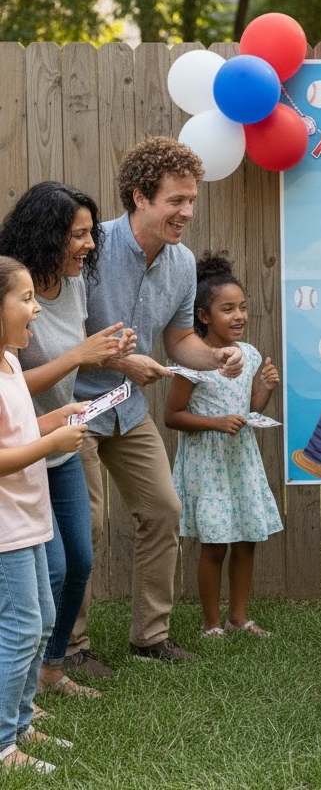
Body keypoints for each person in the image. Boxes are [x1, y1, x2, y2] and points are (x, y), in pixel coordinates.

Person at [67, 137, 243, 674]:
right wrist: (123, 364)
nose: (187, 212)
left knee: (163, 510)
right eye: (176, 201)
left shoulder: (183, 262)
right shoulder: (90, 250)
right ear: (141, 196)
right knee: (88, 524)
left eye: (191, 200)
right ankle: (71, 648)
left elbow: (178, 340)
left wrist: (217, 357)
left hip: (127, 407)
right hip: (73, 406)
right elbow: (61, 339)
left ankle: (150, 637)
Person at [0, 182, 136, 699]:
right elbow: (11, 379)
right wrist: (78, 356)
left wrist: (111, 354)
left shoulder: (72, 283)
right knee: (48, 570)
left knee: (79, 558)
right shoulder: (11, 288)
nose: (89, 244)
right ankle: (21, 689)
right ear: (45, 235)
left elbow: (74, 354)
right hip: (24, 452)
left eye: (91, 233)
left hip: (58, 440)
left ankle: (50, 670)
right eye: (77, 234)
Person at [0, 256, 88, 775]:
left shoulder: (11, 362)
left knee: (44, 621)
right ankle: (3, 748)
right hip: (5, 526)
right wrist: (51, 442)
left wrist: (54, 419)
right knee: (21, 627)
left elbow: (18, 429)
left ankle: (22, 725)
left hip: (29, 516)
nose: (37, 309)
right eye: (27, 298)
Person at [164, 252, 282, 638]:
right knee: (216, 544)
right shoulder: (193, 362)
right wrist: (214, 423)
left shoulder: (247, 355)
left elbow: (250, 410)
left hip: (240, 462)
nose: (239, 316)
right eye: (227, 309)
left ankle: (239, 618)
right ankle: (212, 624)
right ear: (203, 316)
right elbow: (173, 416)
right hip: (208, 465)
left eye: (243, 308)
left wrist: (263, 387)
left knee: (247, 539)